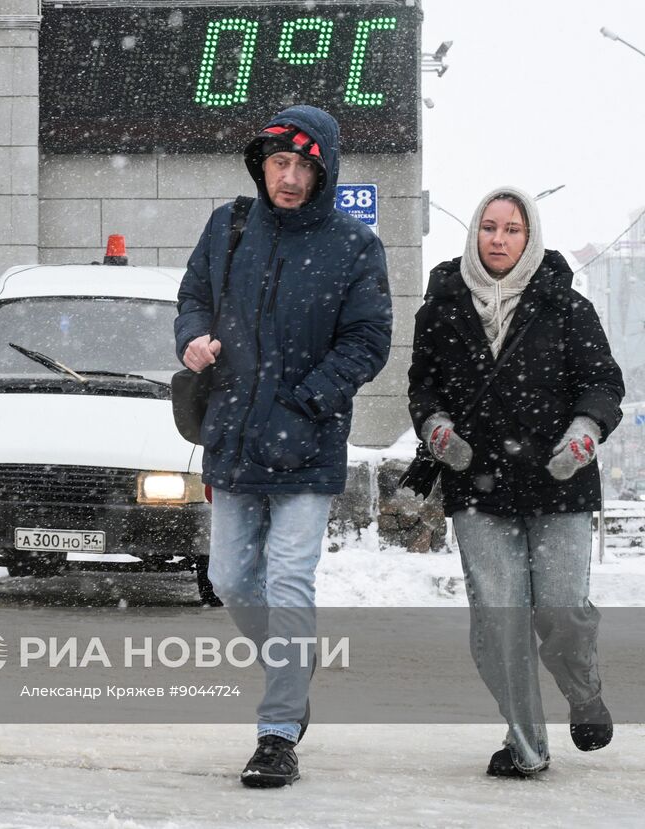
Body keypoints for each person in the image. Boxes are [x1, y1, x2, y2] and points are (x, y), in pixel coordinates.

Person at [174, 105, 392, 787]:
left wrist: (306, 400)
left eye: (302, 166)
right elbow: (192, 297)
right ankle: (292, 662)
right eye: (279, 163)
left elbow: (369, 341)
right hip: (233, 434)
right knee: (230, 579)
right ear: (261, 165)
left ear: (323, 173)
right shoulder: (229, 226)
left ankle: (277, 732)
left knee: (290, 578)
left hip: (308, 444)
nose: (289, 178)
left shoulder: (355, 245)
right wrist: (192, 337)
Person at [407, 187, 622, 777]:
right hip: (476, 483)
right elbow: (423, 387)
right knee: (499, 623)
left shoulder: (567, 306)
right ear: (474, 233)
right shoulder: (441, 307)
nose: (498, 239)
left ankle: (582, 690)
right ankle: (526, 745)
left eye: (512, 229)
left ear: (530, 238)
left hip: (559, 480)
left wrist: (583, 434)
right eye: (489, 228)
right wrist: (436, 427)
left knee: (561, 611)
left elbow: (603, 382)